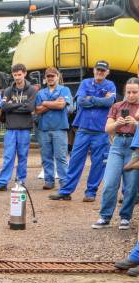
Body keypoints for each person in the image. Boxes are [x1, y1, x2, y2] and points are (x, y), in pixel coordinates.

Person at [50, 60, 116, 201]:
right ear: (93, 70)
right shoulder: (85, 82)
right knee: (75, 160)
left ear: (107, 72)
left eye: (103, 70)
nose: (100, 72)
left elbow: (109, 102)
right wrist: (99, 100)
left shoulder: (110, 85)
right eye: (98, 69)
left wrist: (90, 98)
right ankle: (66, 191)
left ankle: (90, 193)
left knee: (98, 163)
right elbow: (80, 101)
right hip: (83, 129)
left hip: (101, 131)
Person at [91, 78, 139, 230]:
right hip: (117, 145)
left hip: (135, 147)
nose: (131, 95)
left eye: (135, 92)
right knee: (110, 183)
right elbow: (107, 129)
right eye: (128, 92)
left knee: (131, 186)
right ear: (125, 91)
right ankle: (105, 216)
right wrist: (117, 124)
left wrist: (136, 123)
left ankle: (125, 217)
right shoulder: (117, 106)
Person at [0, 64, 36, 191]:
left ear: (25, 73)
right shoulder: (8, 90)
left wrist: (13, 105)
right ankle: (2, 183)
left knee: (22, 156)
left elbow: (30, 108)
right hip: (10, 129)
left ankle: (20, 182)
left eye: (19, 74)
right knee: (8, 157)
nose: (17, 77)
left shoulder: (31, 90)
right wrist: (21, 105)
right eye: (15, 75)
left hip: (24, 129)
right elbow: (4, 107)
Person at [34, 67, 72, 190]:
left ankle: (64, 182)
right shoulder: (40, 92)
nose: (50, 78)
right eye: (48, 76)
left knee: (60, 156)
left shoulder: (65, 89)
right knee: (46, 157)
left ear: (58, 76)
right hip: (44, 128)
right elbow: (37, 110)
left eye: (52, 76)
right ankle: (49, 181)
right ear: (45, 78)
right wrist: (53, 103)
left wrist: (45, 103)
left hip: (59, 128)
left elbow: (62, 105)